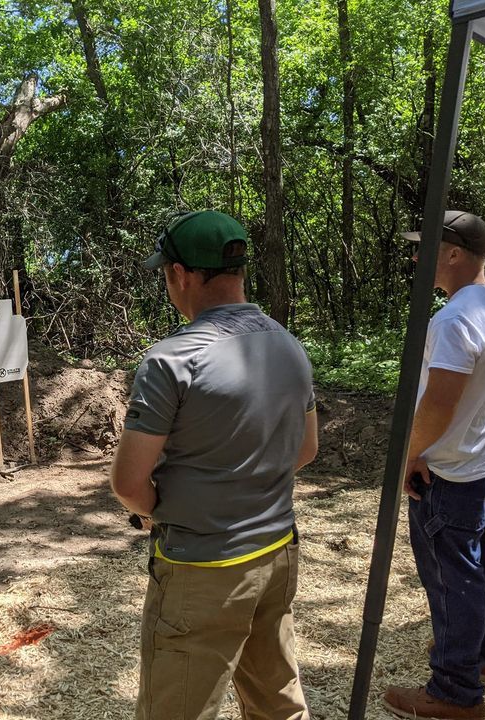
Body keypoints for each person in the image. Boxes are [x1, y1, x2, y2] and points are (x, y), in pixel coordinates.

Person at [111, 211, 318, 720]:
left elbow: (128, 482)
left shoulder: (171, 361)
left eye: (166, 274)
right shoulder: (289, 346)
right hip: (276, 553)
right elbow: (306, 451)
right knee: (278, 703)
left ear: (180, 274)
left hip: (203, 567)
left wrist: (154, 511)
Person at [383, 211, 485, 720]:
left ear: (455, 253)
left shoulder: (457, 318)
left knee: (451, 582)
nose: (418, 257)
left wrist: (410, 455)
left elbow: (439, 402)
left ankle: (454, 692)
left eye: (428, 247)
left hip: (451, 471)